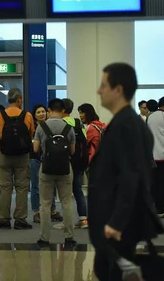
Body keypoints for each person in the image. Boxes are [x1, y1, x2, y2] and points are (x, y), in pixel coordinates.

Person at [90, 63, 164, 280]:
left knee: (111, 273)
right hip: (119, 223)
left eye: (103, 85)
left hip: (119, 226)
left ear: (118, 89)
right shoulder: (126, 122)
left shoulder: (126, 125)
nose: (99, 90)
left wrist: (116, 223)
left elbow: (131, 176)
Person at [0, 88, 35, 230]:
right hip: (22, 156)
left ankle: (3, 218)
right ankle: (20, 219)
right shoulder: (27, 115)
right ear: (19, 99)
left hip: (5, 154)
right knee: (22, 187)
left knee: (5, 187)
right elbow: (31, 133)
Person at [33, 99, 76, 247]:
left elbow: (35, 149)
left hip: (46, 168)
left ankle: (44, 237)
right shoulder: (69, 127)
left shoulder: (41, 127)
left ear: (50, 110)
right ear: (63, 110)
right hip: (65, 168)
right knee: (67, 202)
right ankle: (69, 237)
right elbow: (72, 151)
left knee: (45, 204)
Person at [58, 98, 87, 230]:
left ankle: (66, 221)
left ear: (62, 109)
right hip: (79, 161)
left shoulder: (60, 123)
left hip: (65, 162)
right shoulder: (78, 122)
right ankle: (83, 219)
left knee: (65, 193)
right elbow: (85, 140)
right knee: (78, 191)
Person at [30, 104, 60, 224]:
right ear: (34, 115)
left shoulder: (50, 126)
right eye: (38, 112)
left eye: (43, 111)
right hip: (35, 159)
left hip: (49, 159)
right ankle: (36, 212)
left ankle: (52, 211)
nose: (41, 114)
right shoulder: (32, 128)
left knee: (51, 185)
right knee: (36, 187)